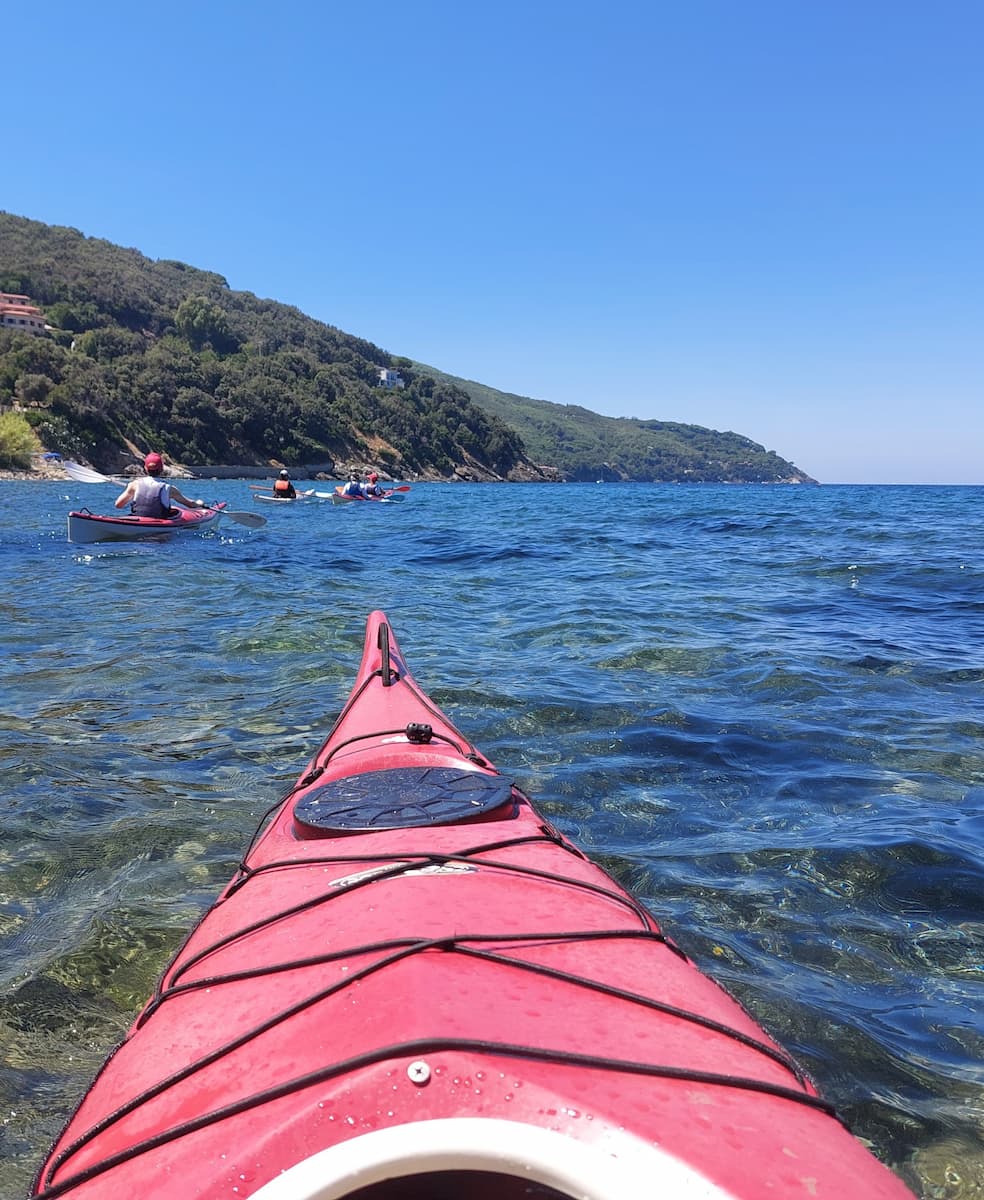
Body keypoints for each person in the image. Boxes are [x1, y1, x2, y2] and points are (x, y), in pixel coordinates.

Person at [115, 452, 207, 518]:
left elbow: (118, 505)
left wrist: (129, 490)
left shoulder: (134, 485)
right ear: (162, 469)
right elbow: (190, 505)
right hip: (159, 530)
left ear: (145, 468)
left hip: (138, 522)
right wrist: (200, 503)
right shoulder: (169, 489)